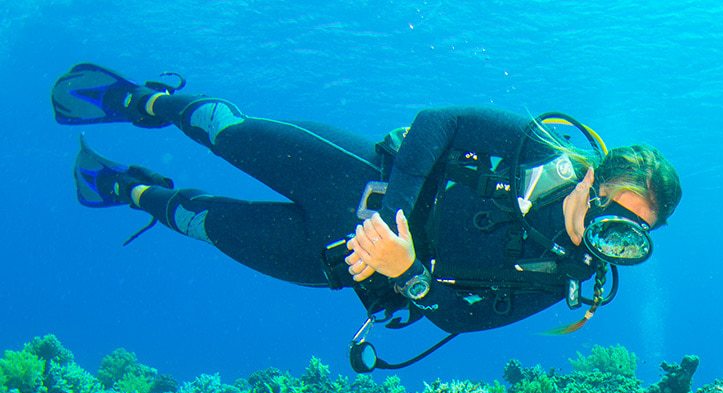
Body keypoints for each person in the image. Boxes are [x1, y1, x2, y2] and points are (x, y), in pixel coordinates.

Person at [51, 63, 682, 371]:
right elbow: (442, 120)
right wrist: (395, 217)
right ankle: (146, 100)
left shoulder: (563, 275)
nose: (609, 242)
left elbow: (465, 318)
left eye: (632, 238)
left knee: (206, 223)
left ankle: (133, 191)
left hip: (340, 264)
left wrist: (405, 273)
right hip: (347, 175)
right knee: (229, 134)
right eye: (613, 217)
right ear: (593, 180)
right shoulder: (537, 150)